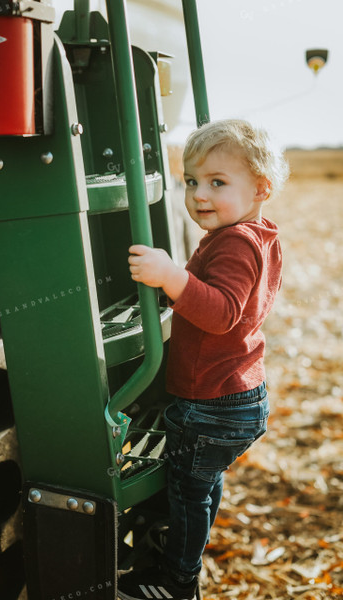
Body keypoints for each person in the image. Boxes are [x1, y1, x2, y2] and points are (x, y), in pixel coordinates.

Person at [118, 119, 289, 600]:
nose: (199, 195)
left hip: (212, 403)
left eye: (217, 182)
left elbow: (222, 313)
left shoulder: (235, 242)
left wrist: (171, 277)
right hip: (239, 396)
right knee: (203, 484)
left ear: (261, 188)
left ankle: (177, 581)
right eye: (191, 181)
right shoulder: (257, 233)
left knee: (187, 493)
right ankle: (181, 563)